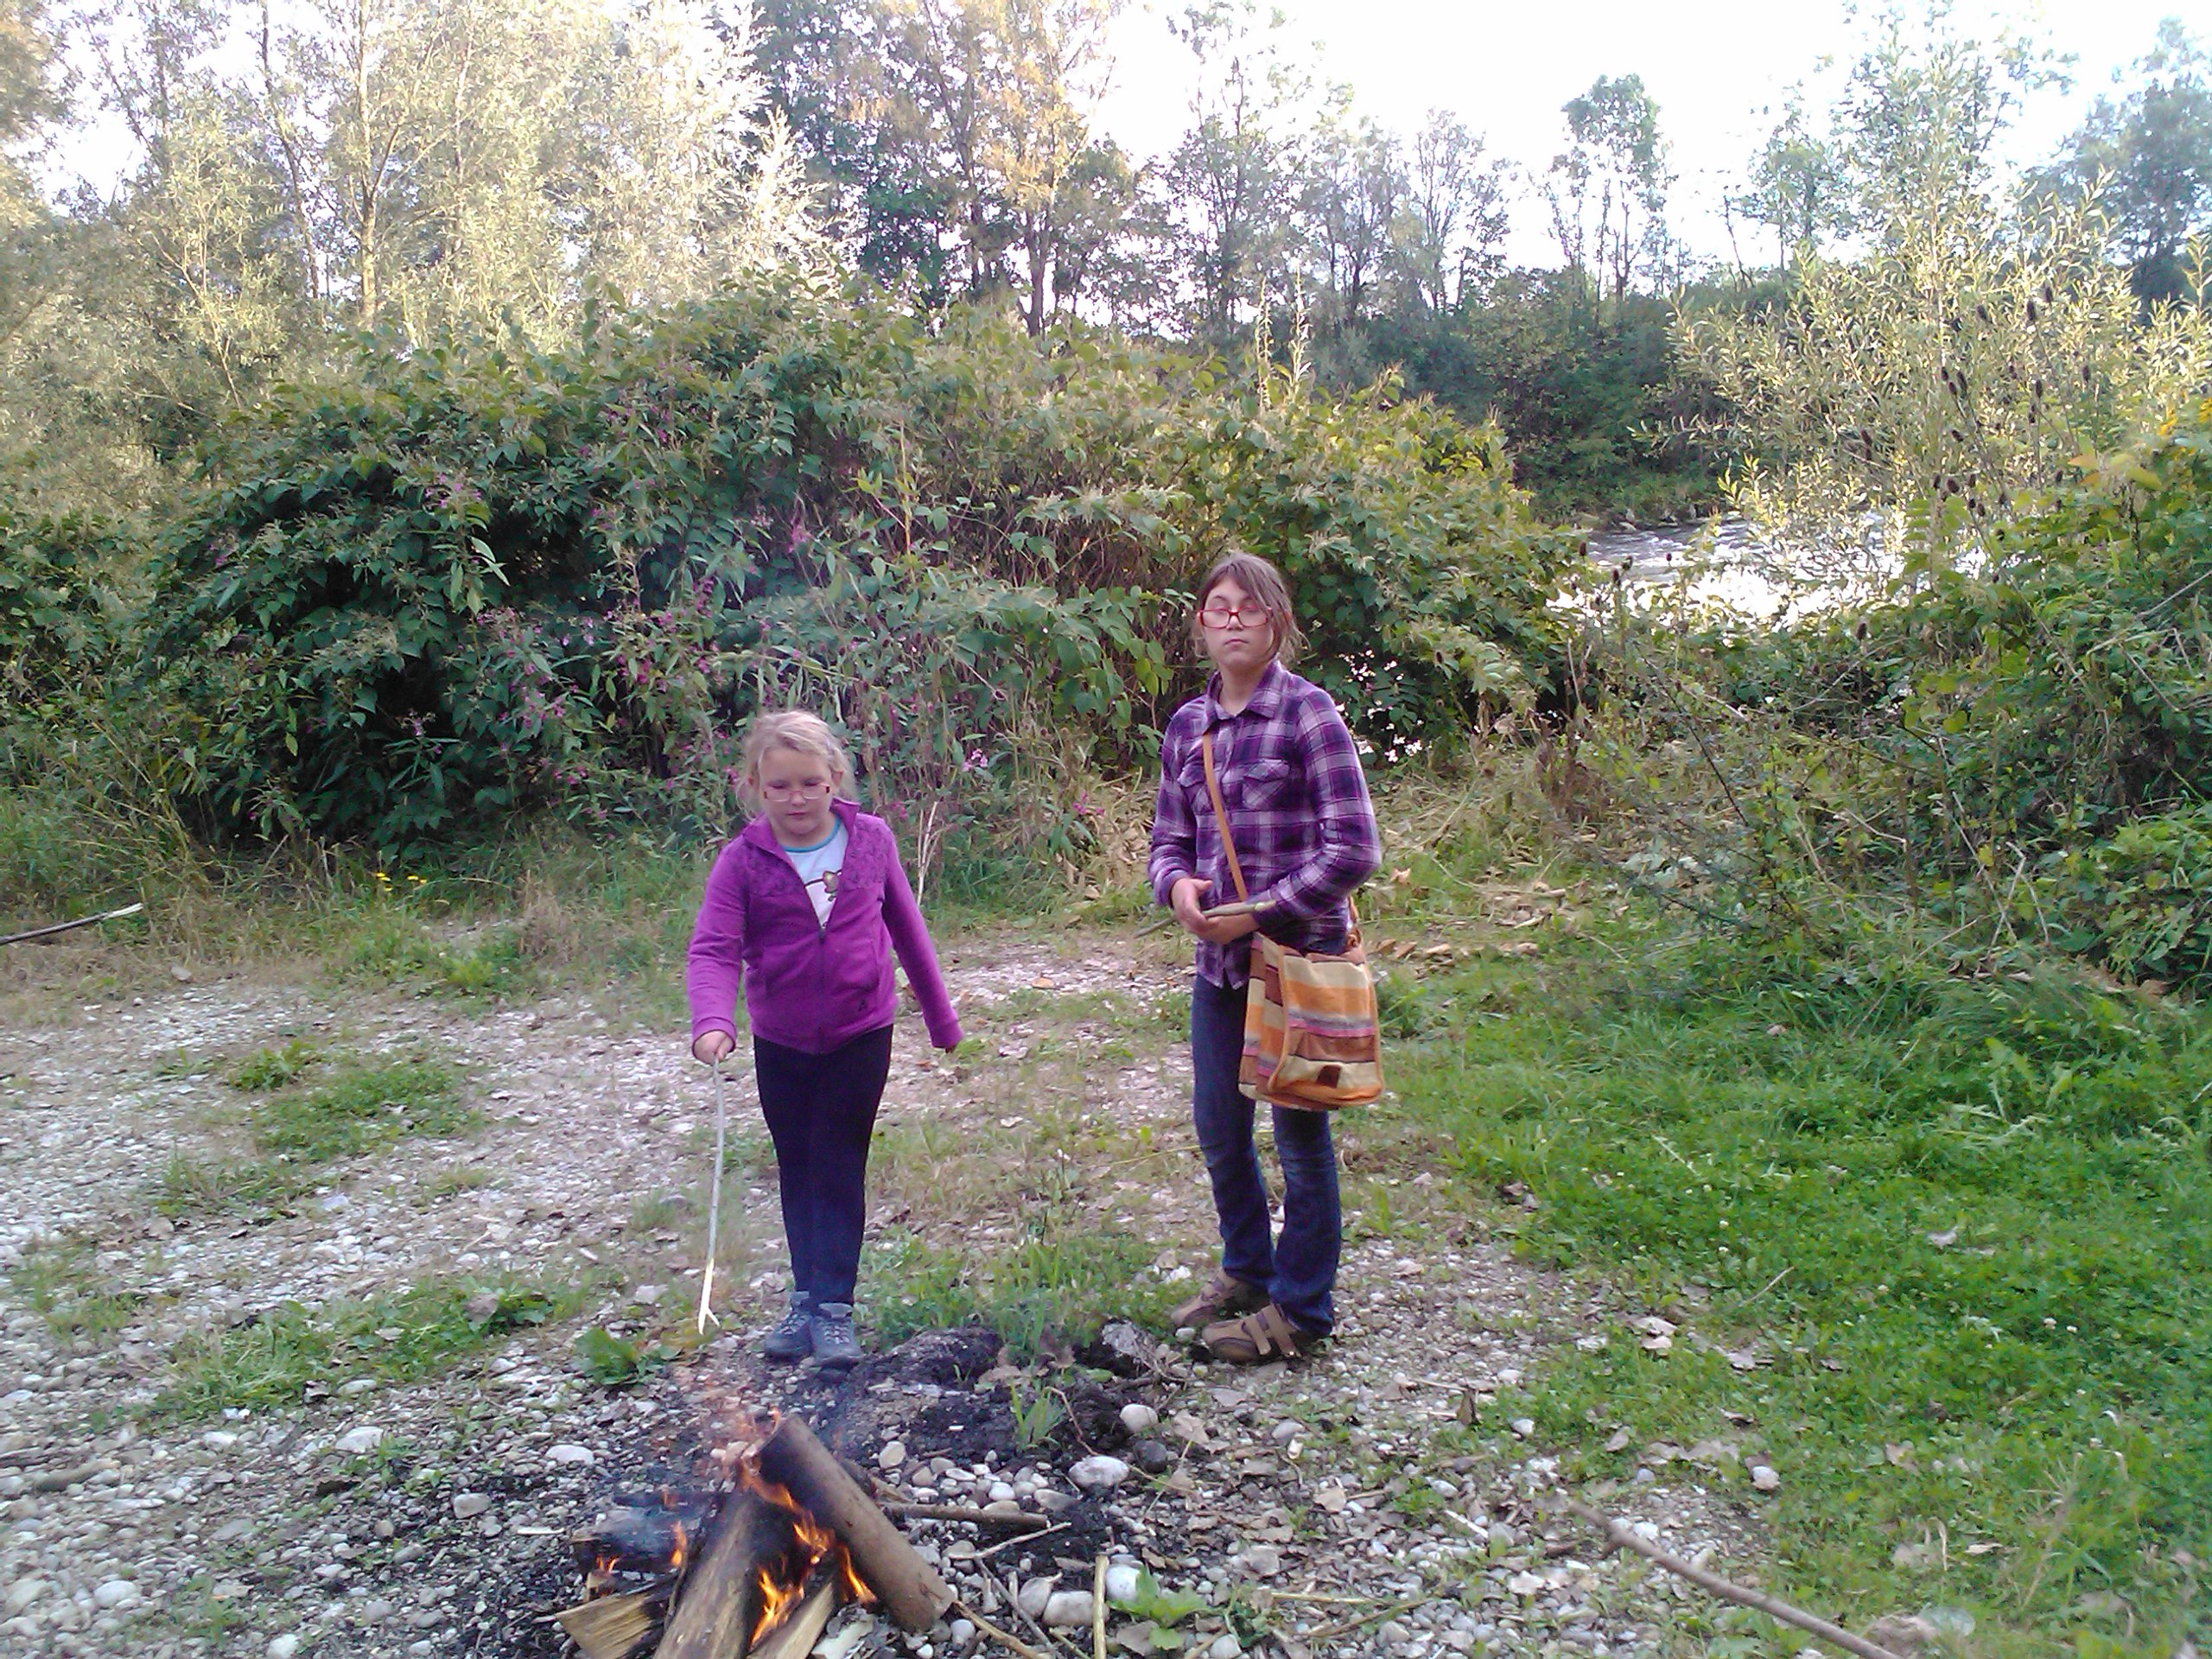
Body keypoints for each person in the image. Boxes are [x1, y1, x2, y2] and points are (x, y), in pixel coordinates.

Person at [1147, 550, 1382, 1363]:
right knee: (1219, 1128)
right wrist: (1178, 889)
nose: (1234, 620)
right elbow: (1168, 841)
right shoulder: (1188, 727)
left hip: (1300, 964)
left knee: (1300, 1140)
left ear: (1278, 622)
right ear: (1201, 624)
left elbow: (1354, 850)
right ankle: (1247, 1270)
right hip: (1220, 970)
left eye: (1251, 607)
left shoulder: (1311, 716)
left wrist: (1260, 914)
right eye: (1219, 607)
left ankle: (1302, 1310)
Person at [686, 710, 963, 1367]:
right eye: (779, 787)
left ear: (835, 778)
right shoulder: (742, 861)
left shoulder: (870, 841)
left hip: (860, 1032)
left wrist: (940, 1018)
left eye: (810, 783)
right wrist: (713, 1022)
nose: (797, 799)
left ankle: (834, 1307)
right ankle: (805, 1298)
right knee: (797, 1164)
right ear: (756, 787)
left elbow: (907, 929)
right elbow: (714, 948)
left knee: (838, 1162)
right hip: (781, 1040)